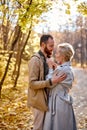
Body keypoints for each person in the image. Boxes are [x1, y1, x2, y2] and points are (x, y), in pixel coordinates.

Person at [27, 34, 66, 130]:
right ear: (43, 45)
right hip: (38, 101)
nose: (53, 48)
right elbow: (32, 84)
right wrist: (51, 81)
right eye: (51, 46)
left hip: (47, 100)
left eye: (53, 45)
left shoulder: (47, 59)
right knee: (38, 128)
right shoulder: (35, 60)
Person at [43, 43, 77, 130]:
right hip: (62, 101)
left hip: (58, 103)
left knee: (57, 126)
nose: (55, 55)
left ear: (63, 56)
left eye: (57, 53)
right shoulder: (68, 68)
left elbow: (48, 82)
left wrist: (50, 68)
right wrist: (56, 68)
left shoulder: (62, 69)